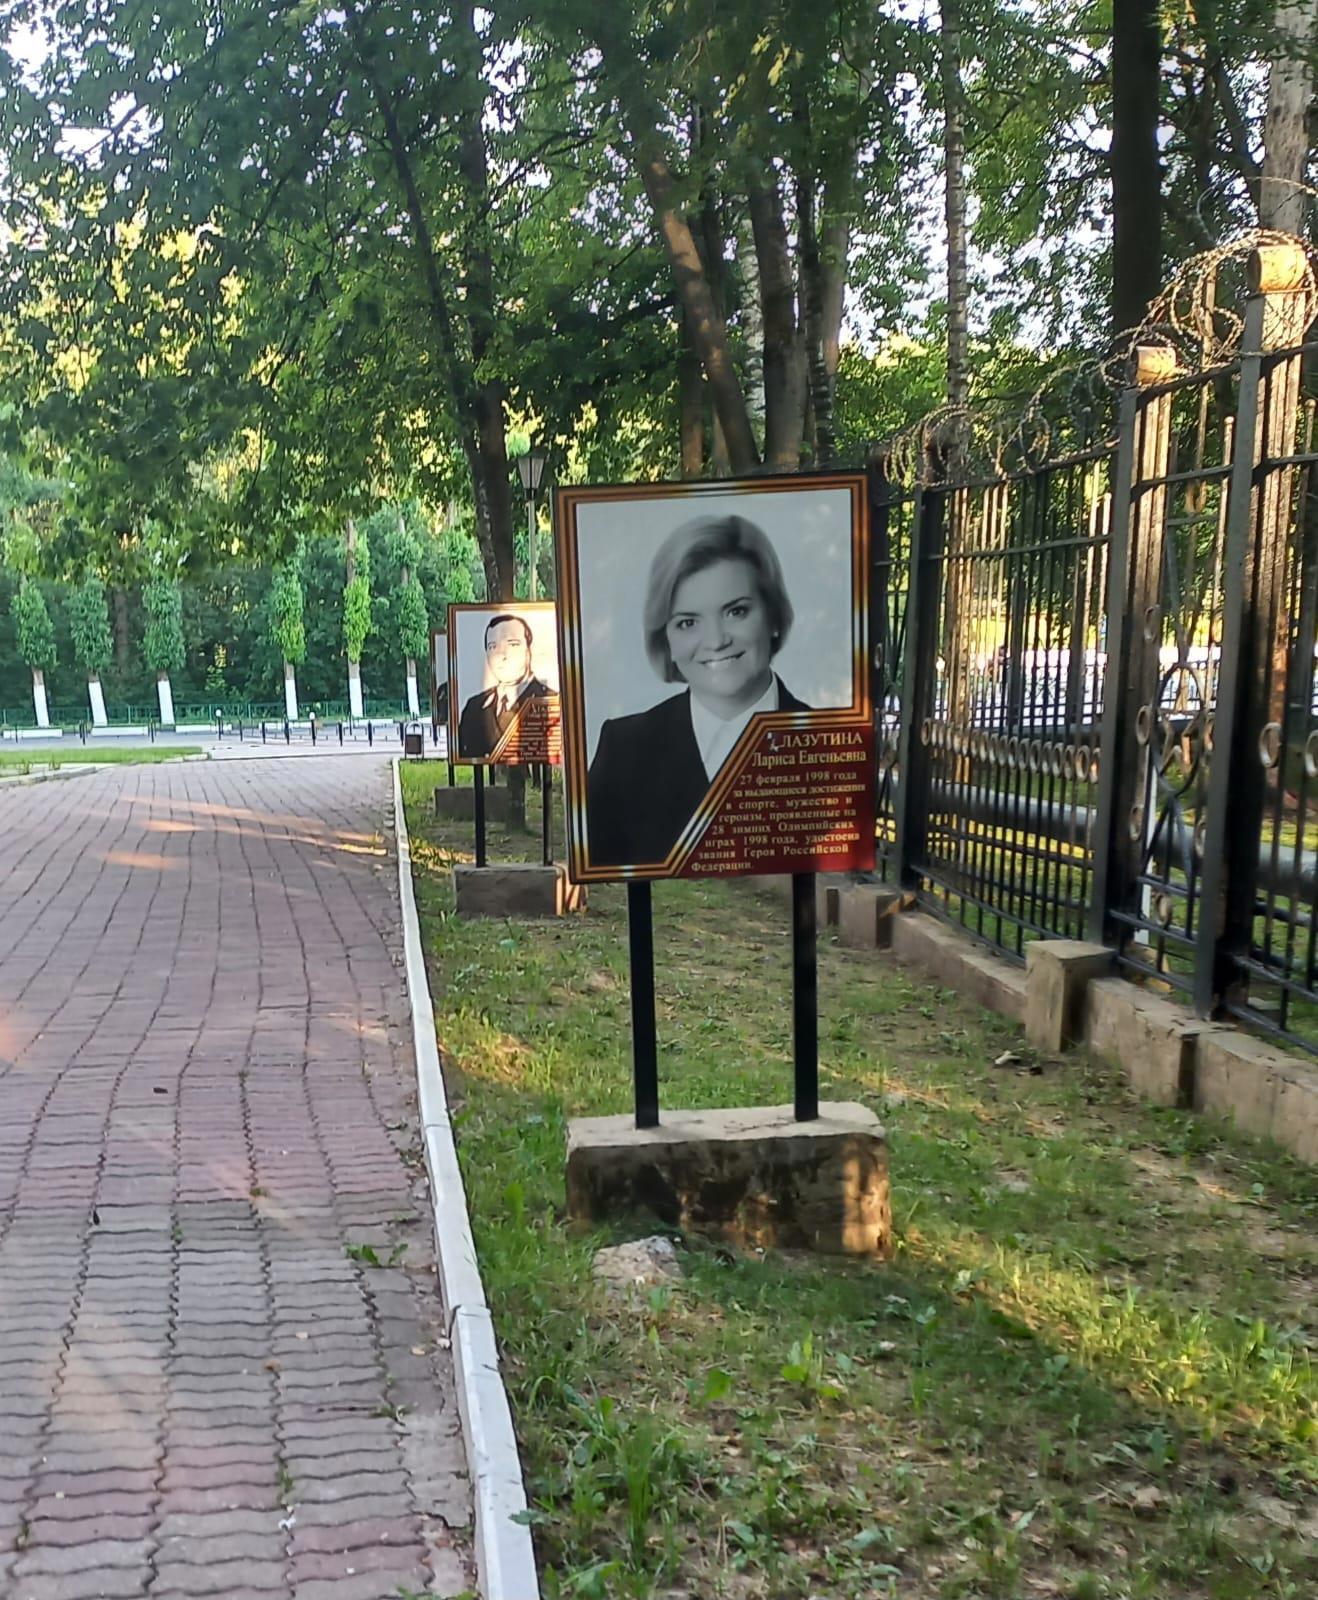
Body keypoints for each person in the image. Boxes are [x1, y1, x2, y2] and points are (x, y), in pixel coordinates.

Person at [587, 515, 807, 867]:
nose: (716, 641)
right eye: (688, 622)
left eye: (736, 611)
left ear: (773, 617)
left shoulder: (827, 743)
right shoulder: (624, 749)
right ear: (667, 639)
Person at [457, 613, 552, 759]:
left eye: (512, 644)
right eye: (492, 646)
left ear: (529, 650)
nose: (501, 654)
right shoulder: (474, 707)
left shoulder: (550, 702)